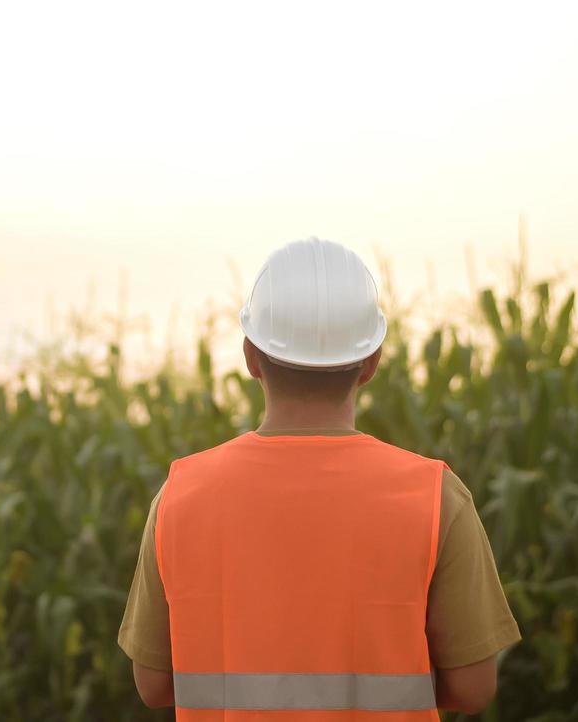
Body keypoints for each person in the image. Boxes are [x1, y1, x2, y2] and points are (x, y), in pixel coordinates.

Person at [118, 237, 520, 718]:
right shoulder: (435, 495)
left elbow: (154, 685)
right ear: (370, 362)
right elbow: (474, 688)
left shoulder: (181, 495)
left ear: (250, 356)